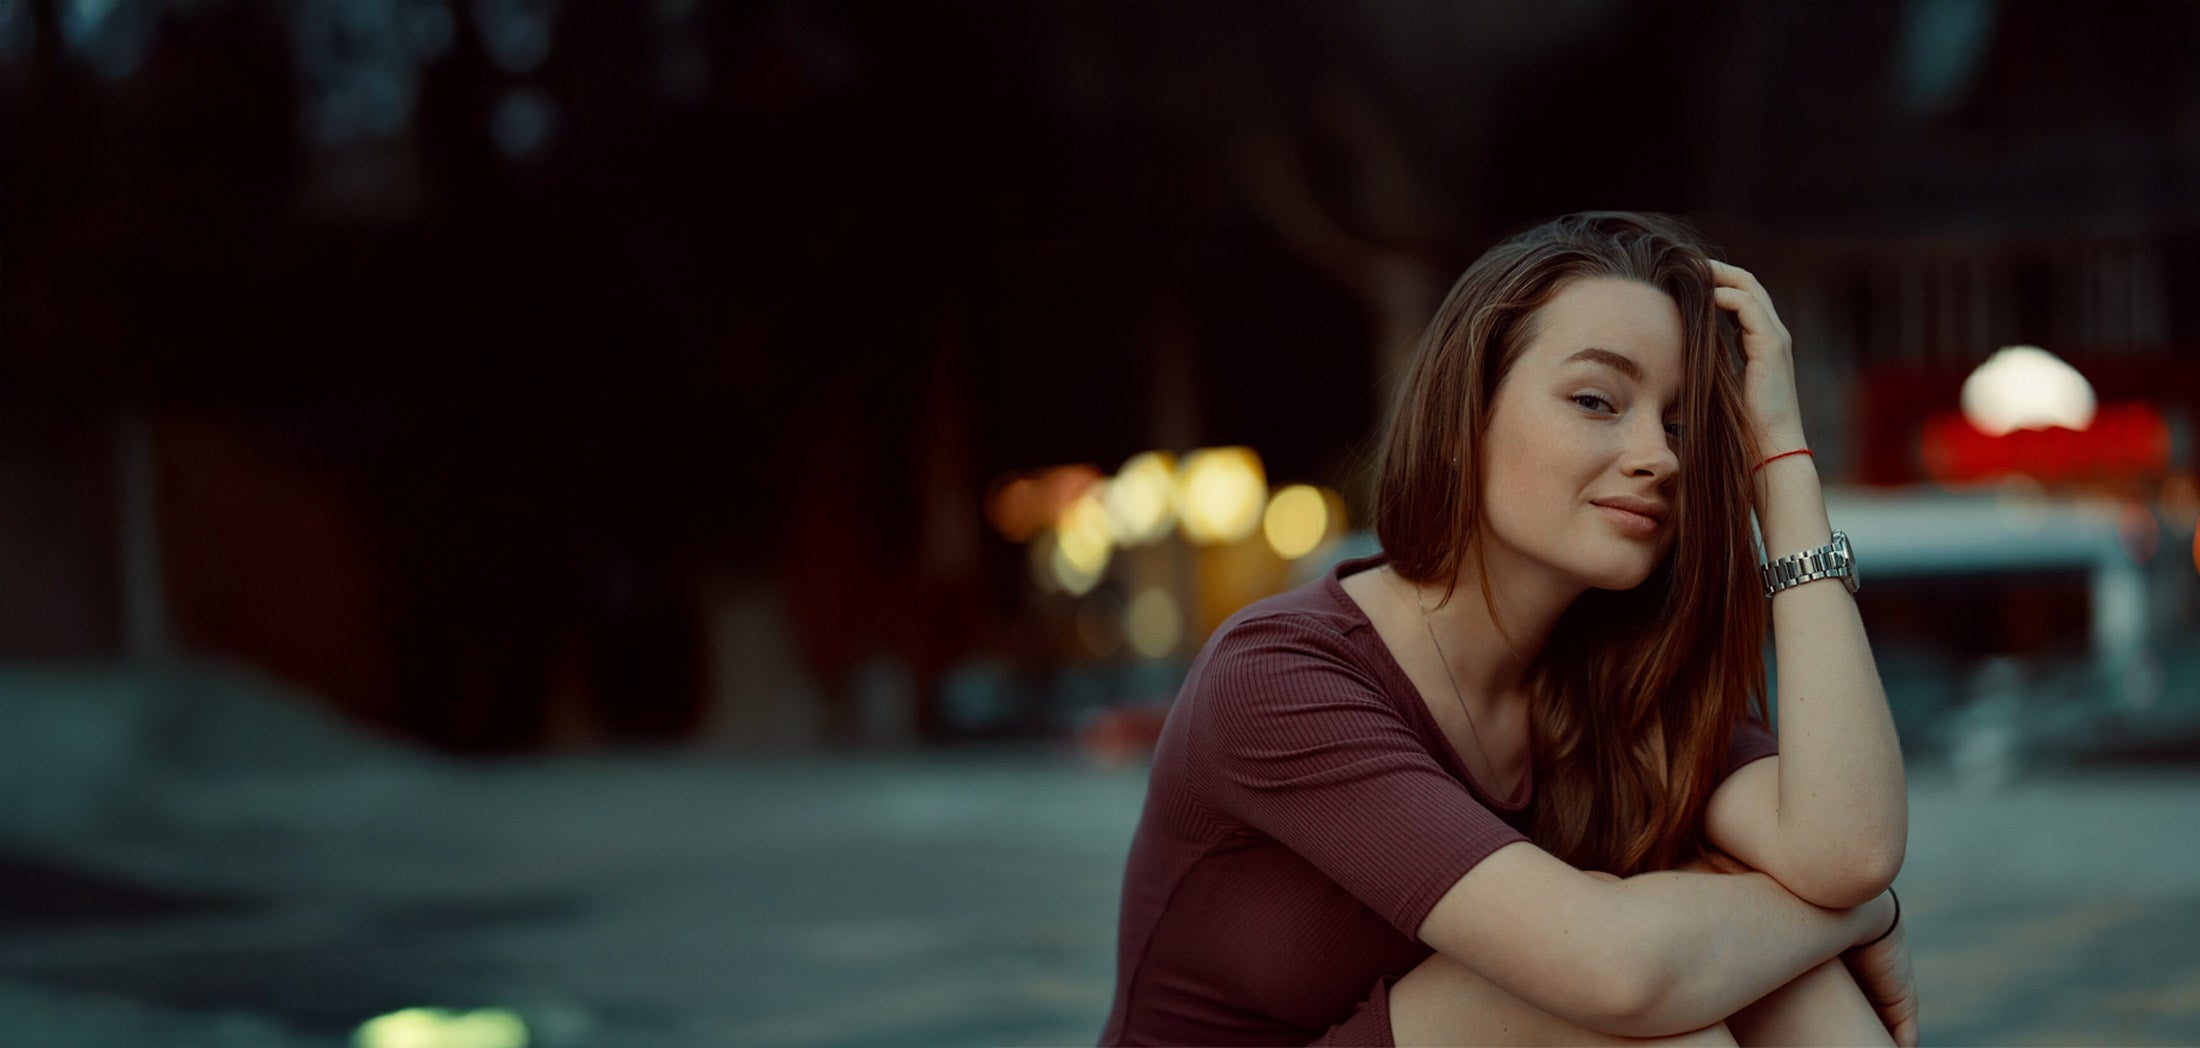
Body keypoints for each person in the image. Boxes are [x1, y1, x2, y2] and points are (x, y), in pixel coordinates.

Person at [1100, 212, 1916, 1046]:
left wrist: (1780, 459)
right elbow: (1618, 972)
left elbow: (1844, 850)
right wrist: (1860, 918)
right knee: (1644, 1006)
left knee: (1765, 976)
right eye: (1597, 401)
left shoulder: (1616, 672)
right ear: (1466, 419)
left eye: (1679, 424)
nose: (1660, 457)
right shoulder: (1278, 677)